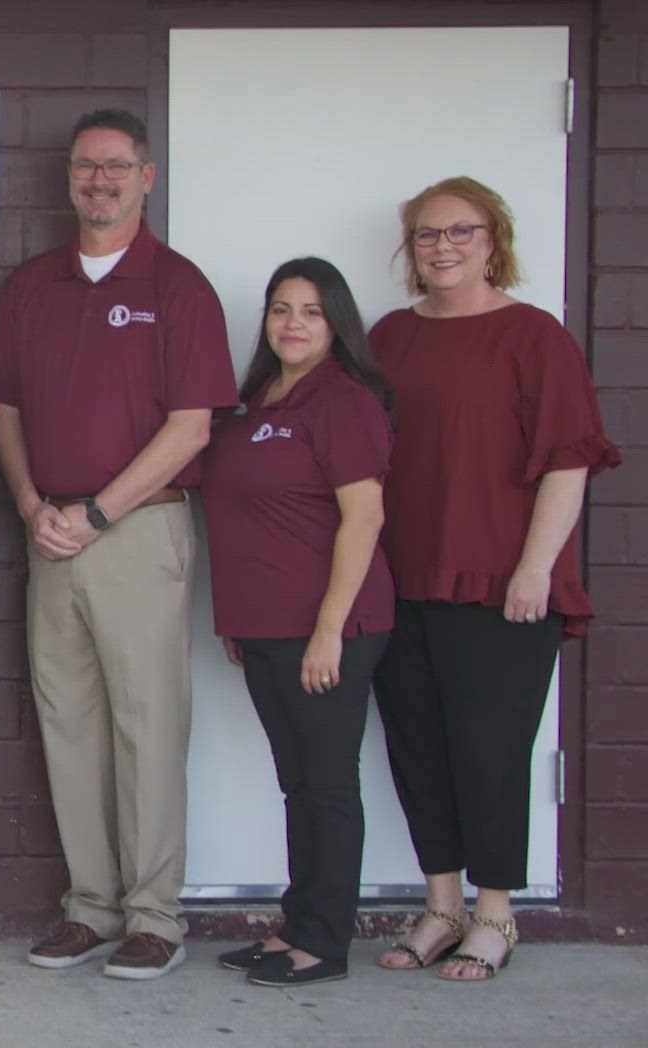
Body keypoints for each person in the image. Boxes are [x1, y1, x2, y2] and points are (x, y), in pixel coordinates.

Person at [0, 109, 238, 979]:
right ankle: (89, 907)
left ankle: (154, 916)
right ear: (68, 178)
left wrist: (98, 512)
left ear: (146, 177)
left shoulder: (177, 285)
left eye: (117, 167)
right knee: (69, 724)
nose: (100, 181)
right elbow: (4, 407)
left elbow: (191, 427)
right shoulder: (34, 284)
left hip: (137, 529)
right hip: (49, 530)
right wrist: (27, 501)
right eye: (86, 167)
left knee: (147, 723)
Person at [368, 177, 619, 982]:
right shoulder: (389, 338)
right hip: (401, 578)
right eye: (428, 235)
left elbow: (569, 460)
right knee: (418, 748)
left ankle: (495, 914)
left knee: (491, 753)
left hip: (503, 584)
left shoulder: (534, 337)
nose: (443, 247)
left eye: (460, 232)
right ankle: (441, 906)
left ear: (493, 239)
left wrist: (535, 568)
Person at [201, 258, 394, 987]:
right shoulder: (259, 400)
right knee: (298, 782)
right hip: (265, 627)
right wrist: (239, 618)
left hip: (331, 626)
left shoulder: (342, 402)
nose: (292, 324)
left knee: (327, 784)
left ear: (336, 323)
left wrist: (328, 629)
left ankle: (325, 941)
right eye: (281, 309)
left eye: (310, 312)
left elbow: (364, 517)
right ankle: (297, 924)